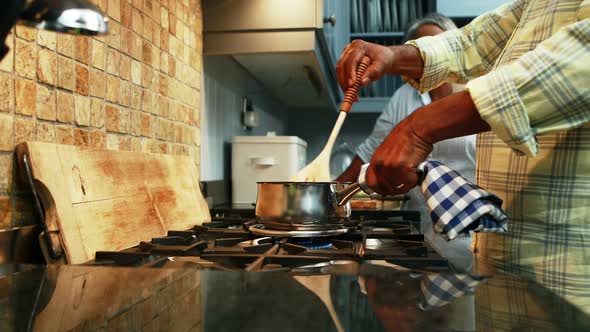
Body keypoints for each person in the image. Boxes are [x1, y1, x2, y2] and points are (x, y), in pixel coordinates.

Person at [336, 0, 589, 306]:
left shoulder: (474, 91)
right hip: (476, 247)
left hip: (560, 266)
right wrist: (394, 56)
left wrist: (419, 127)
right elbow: (474, 41)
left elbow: (576, 62)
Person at [337, 14, 476, 266]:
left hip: (475, 236)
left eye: (439, 45)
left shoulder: (476, 91)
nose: (433, 55)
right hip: (423, 238)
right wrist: (330, 193)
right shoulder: (404, 96)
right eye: (422, 49)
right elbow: (369, 152)